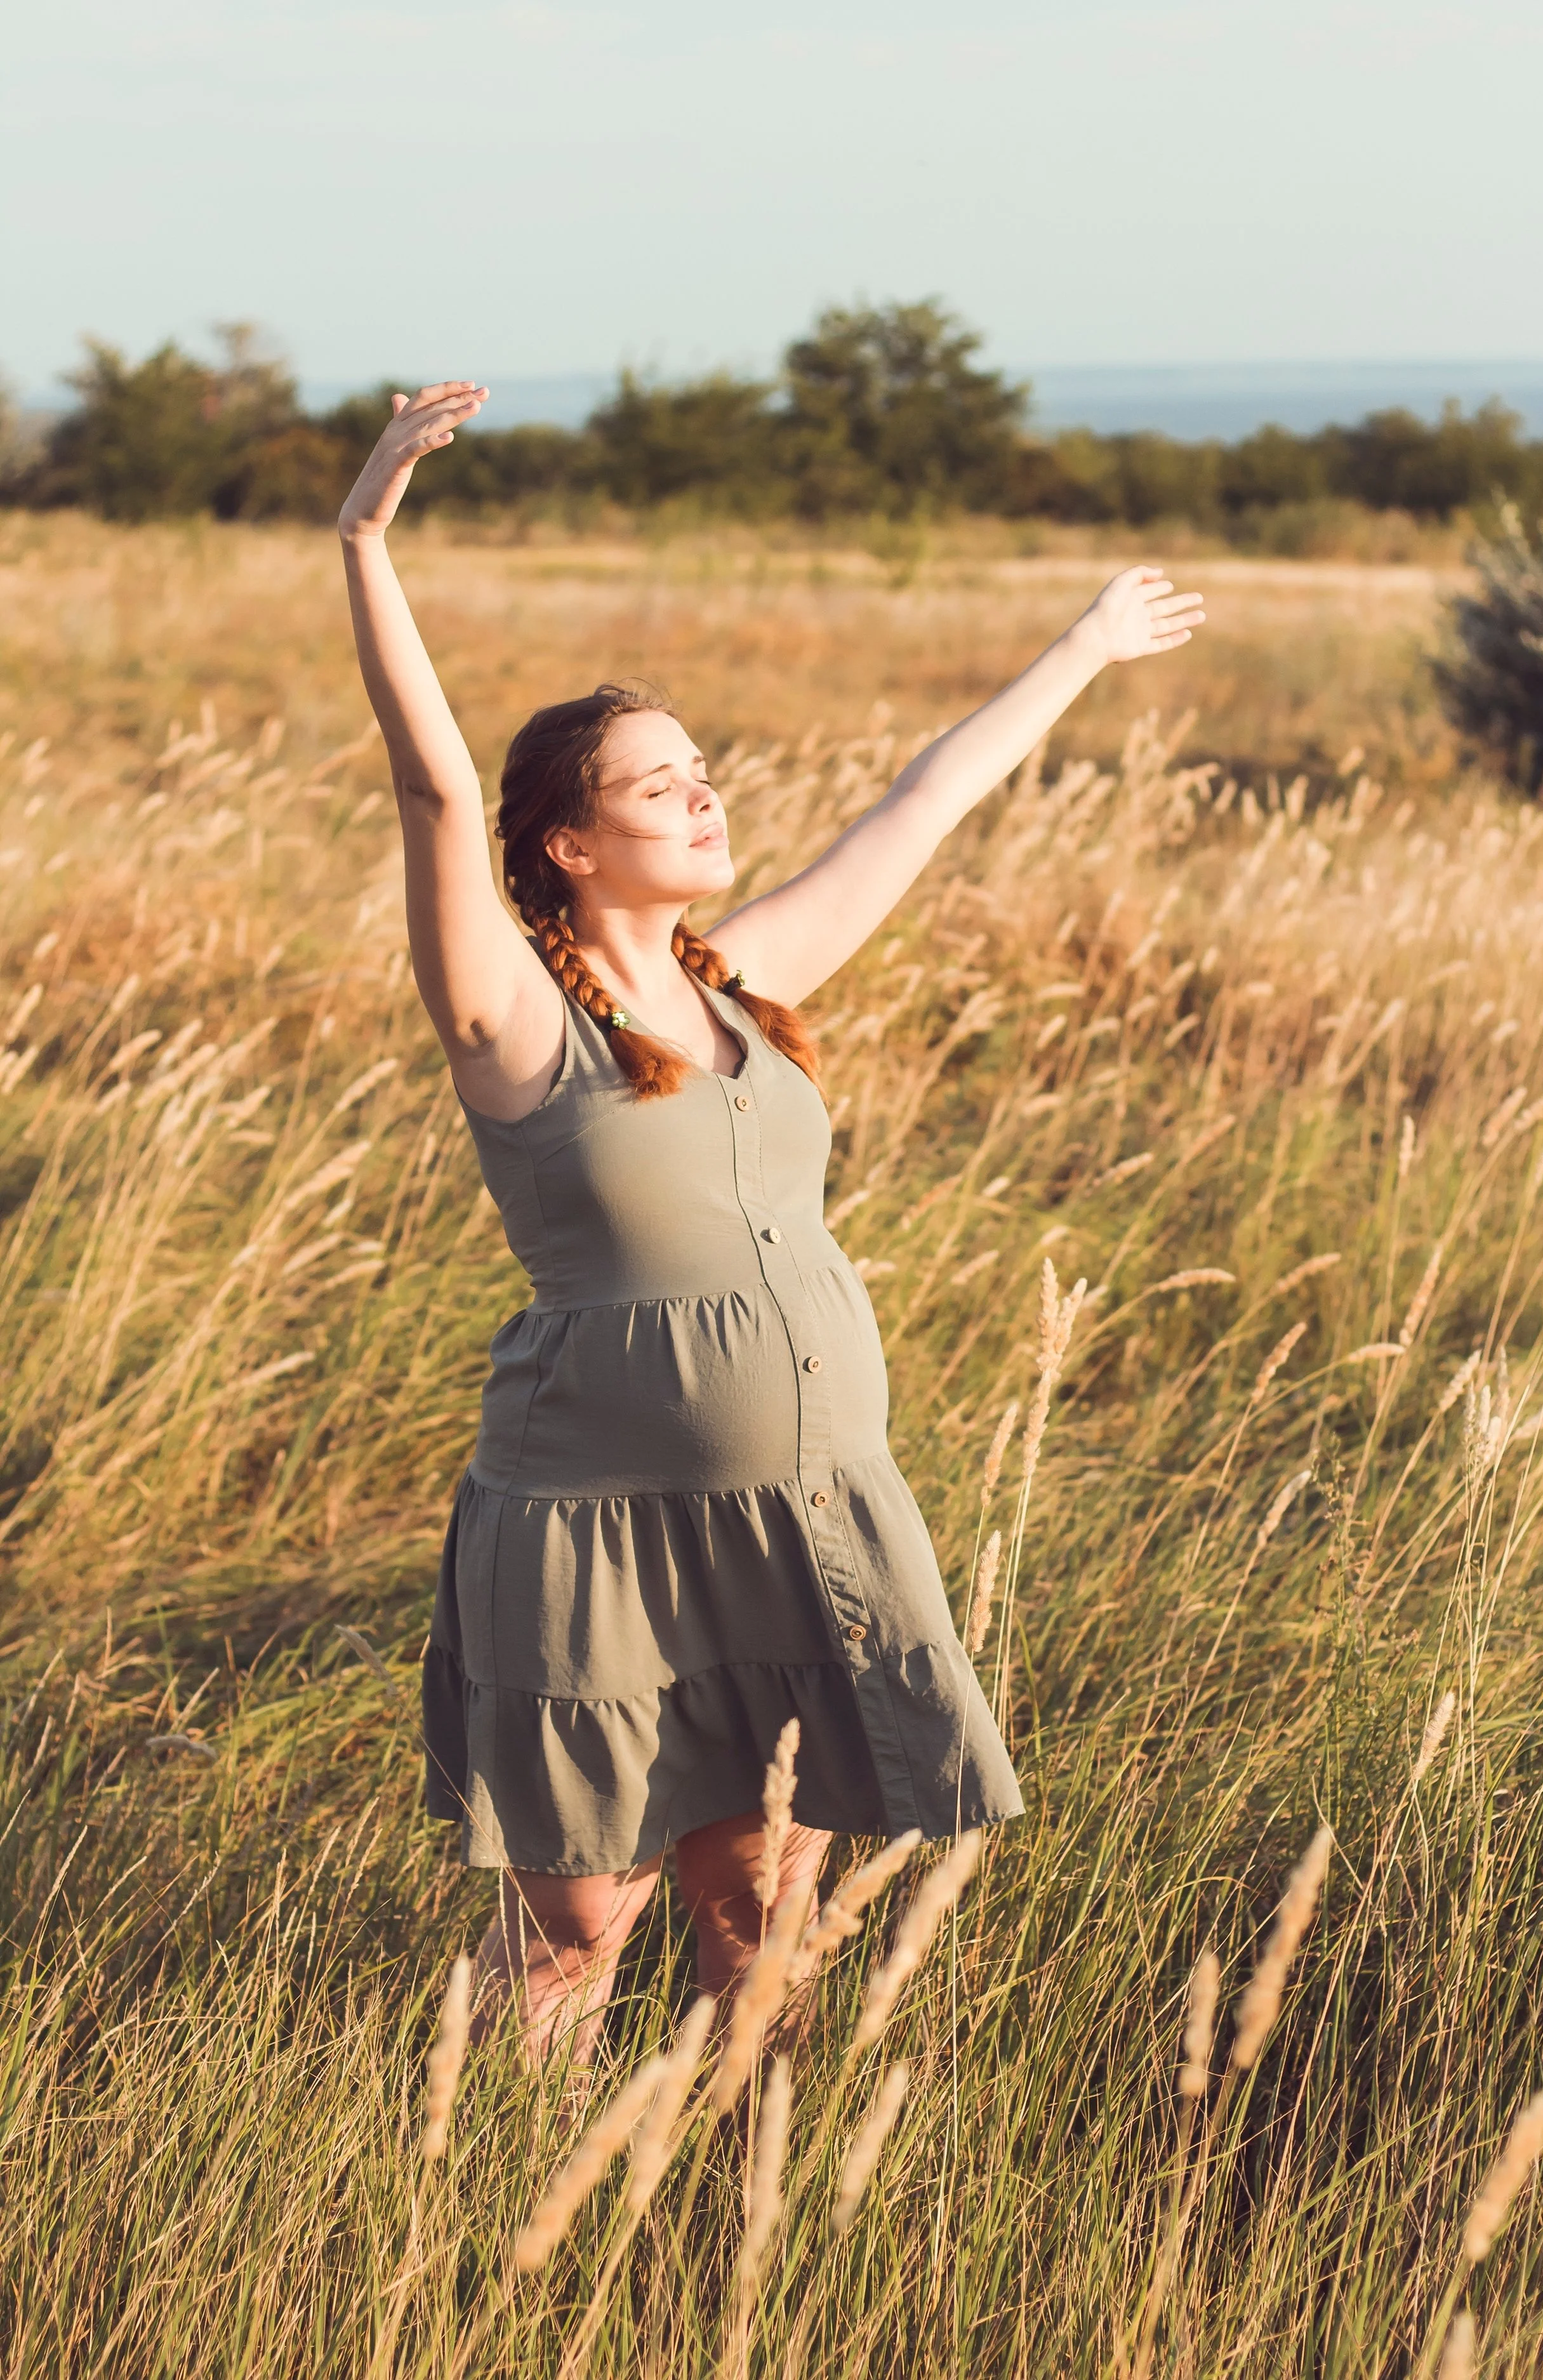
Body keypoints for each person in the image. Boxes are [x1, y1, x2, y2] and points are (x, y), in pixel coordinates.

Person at [338, 381, 1204, 2058]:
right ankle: (488, 2213)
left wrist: (1084, 645)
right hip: (593, 1527)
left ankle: (737, 2215)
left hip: (786, 1513)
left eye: (702, 772)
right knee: (578, 1924)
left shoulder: (749, 986)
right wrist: (367, 537)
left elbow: (921, 800)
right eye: (659, 788)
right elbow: (440, 798)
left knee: (760, 1904)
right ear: (572, 842)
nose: (703, 798)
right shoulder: (515, 1018)